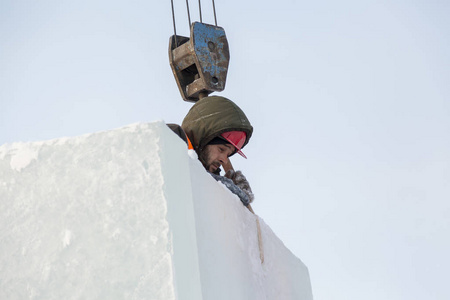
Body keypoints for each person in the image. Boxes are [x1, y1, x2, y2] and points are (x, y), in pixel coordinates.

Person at [168, 95, 254, 206]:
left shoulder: (208, 176)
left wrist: (235, 203)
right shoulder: (172, 137)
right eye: (221, 149)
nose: (224, 160)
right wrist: (220, 186)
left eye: (228, 154)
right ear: (203, 138)